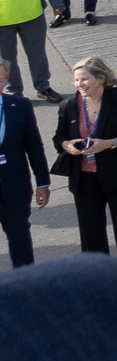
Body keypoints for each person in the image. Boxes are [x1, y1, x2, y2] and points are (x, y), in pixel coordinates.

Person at [52, 57, 117, 265]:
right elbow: (58, 138)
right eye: (76, 81)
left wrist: (110, 143)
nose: (79, 85)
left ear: (101, 78)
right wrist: (67, 146)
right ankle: (98, 276)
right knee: (90, 231)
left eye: (84, 79)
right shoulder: (69, 105)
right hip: (84, 178)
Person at [0, 67, 48, 266]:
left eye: (0, 79)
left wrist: (43, 183)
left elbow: (34, 146)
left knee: (19, 238)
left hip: (14, 185)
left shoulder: (19, 105)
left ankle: (27, 285)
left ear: (6, 81)